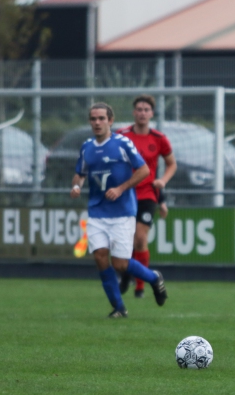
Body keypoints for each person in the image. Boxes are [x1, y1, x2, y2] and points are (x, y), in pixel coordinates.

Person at [71, 102, 168, 318]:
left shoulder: (122, 143)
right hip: (97, 211)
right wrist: (77, 186)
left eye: (101, 118)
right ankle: (119, 308)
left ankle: (154, 278)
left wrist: (121, 188)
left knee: (120, 264)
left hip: (122, 212)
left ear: (110, 121)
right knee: (100, 257)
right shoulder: (87, 147)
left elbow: (144, 170)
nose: (97, 122)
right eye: (93, 119)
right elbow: (80, 174)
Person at [116, 95, 177, 299]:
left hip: (147, 194)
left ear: (152, 113)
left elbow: (171, 164)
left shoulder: (159, 138)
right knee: (125, 241)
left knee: (140, 239)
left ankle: (140, 286)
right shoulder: (121, 135)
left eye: (146, 110)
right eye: (139, 109)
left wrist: (163, 182)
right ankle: (127, 274)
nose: (142, 113)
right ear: (134, 112)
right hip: (125, 194)